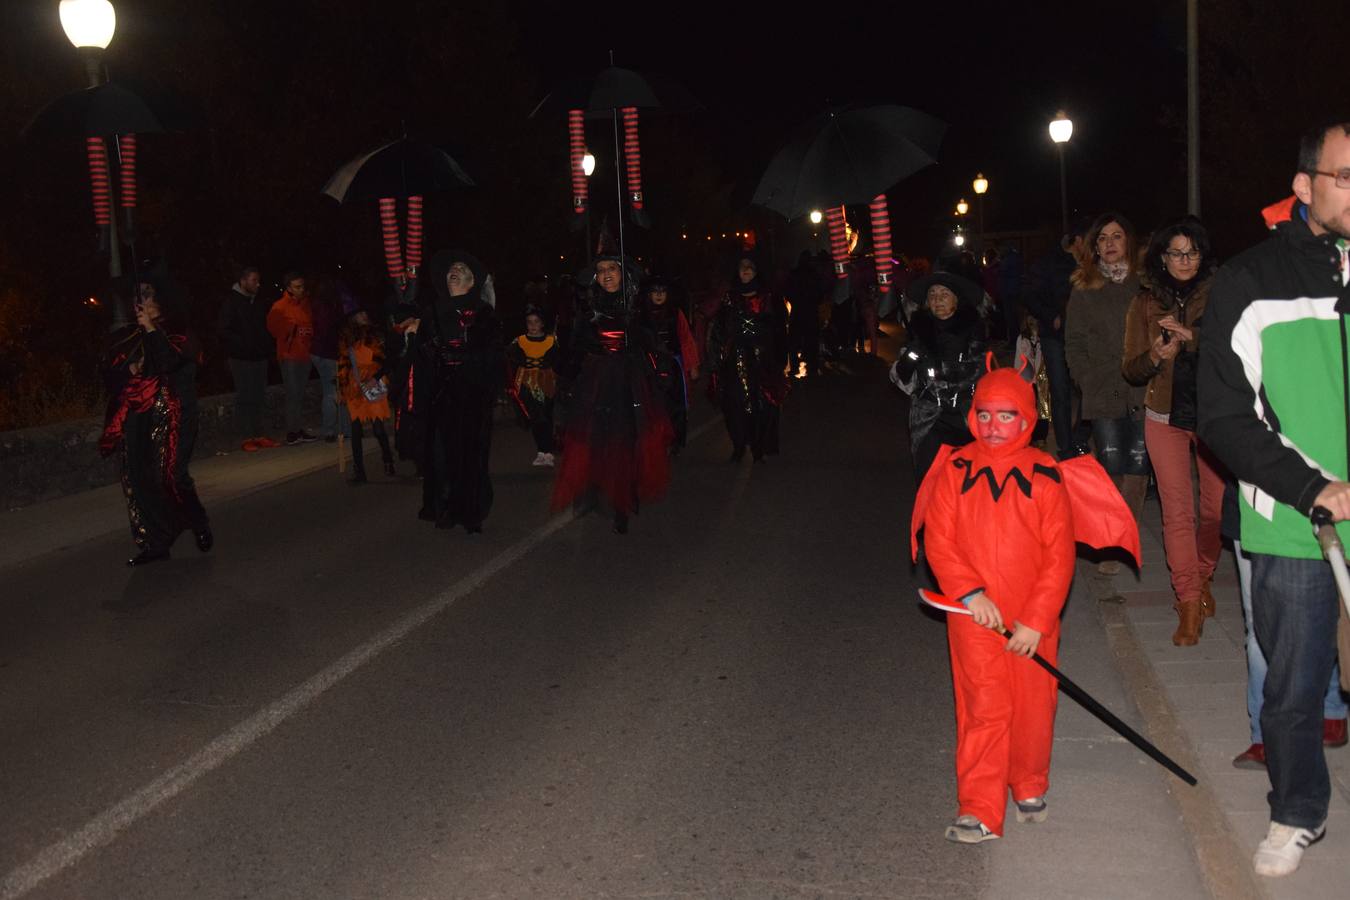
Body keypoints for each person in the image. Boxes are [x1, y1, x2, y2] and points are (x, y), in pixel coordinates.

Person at [1198, 119, 1350, 877]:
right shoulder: (1250, 280)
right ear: (1303, 185)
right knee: (1292, 687)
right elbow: (1223, 416)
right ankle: (1296, 811)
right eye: (1346, 178)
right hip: (1296, 522)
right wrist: (1312, 486)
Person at [914, 365, 1075, 842]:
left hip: (1031, 619)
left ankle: (1028, 781)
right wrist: (969, 591)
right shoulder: (954, 469)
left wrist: (1037, 620)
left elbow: (1059, 556)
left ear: (1026, 419)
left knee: (1033, 705)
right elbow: (939, 539)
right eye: (984, 415)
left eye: (1006, 415)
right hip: (974, 615)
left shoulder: (1045, 474)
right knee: (983, 706)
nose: (993, 426)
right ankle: (979, 807)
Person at [1122, 218, 1225, 645]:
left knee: (1216, 511)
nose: (1184, 260)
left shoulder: (1222, 294)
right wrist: (1155, 355)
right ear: (1162, 258)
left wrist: (1193, 338)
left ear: (1203, 256)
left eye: (1192, 252)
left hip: (1214, 415)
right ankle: (1187, 601)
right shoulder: (1144, 303)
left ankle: (1202, 576)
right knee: (1177, 512)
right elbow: (1130, 368)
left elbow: (1238, 348)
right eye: (1176, 253)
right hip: (1163, 415)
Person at [552, 255, 673, 534]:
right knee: (602, 440)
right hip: (597, 382)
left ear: (622, 274)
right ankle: (609, 494)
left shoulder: (637, 307)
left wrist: (656, 367)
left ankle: (626, 493)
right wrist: (567, 382)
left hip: (631, 381)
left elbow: (654, 345)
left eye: (612, 269)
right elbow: (575, 349)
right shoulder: (587, 310)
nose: (606, 274)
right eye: (601, 270)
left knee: (630, 438)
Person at [99, 271, 211, 566]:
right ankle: (156, 540)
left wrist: (151, 329)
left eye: (147, 293)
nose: (141, 300)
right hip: (140, 418)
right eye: (137, 295)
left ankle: (196, 521)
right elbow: (110, 375)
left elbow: (170, 363)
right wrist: (128, 370)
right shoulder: (128, 335)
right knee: (138, 478)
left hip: (176, 414)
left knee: (172, 476)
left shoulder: (178, 332)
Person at [1065, 212, 1148, 575]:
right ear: (1094, 246)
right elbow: (1074, 341)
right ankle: (1112, 539)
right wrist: (1085, 378)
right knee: (1111, 467)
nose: (1110, 243)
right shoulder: (1085, 287)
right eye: (1103, 238)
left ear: (1128, 240)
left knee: (1138, 469)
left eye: (1116, 236)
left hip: (1144, 389)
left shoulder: (1146, 284)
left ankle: (1124, 540)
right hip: (1103, 389)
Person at [406, 249, 503, 533]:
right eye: (452, 269)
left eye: (462, 269)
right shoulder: (432, 313)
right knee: (440, 456)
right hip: (441, 395)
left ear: (472, 282)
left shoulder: (484, 314)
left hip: (473, 395)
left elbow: (493, 355)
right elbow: (420, 358)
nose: (455, 271)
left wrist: (466, 360)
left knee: (471, 456)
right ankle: (445, 507)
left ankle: (472, 512)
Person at [889, 271, 985, 479]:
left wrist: (949, 365)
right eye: (932, 294)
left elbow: (979, 372)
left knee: (963, 482)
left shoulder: (973, 331)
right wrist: (913, 354)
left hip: (964, 417)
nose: (937, 299)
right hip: (929, 417)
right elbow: (901, 377)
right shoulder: (919, 331)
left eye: (944, 294)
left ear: (956, 300)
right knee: (929, 478)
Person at [1021, 216, 1092, 458]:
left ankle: (1080, 435)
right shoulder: (1049, 262)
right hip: (1055, 336)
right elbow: (1029, 294)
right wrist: (1050, 315)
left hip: (1084, 338)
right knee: (1060, 391)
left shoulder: (1092, 264)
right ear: (1078, 240)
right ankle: (1066, 446)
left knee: (1090, 388)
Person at [707, 254, 788, 462]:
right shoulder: (730, 298)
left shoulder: (767, 297)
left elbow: (778, 328)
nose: (745, 270)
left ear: (756, 270)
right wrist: (717, 359)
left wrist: (779, 357)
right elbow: (718, 329)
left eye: (749, 267)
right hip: (735, 359)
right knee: (735, 404)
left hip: (762, 359)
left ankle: (759, 447)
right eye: (742, 267)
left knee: (762, 404)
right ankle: (739, 445)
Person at [217, 266, 278, 451]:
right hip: (241, 358)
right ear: (243, 281)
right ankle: (246, 437)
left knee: (259, 395)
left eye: (258, 281)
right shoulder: (231, 302)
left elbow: (264, 327)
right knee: (245, 396)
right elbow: (224, 330)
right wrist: (244, 344)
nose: (257, 284)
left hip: (259, 356)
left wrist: (265, 346)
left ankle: (259, 434)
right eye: (254, 280)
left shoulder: (257, 302)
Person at [638, 274, 700, 454]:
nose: (659, 295)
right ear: (649, 294)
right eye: (655, 291)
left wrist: (692, 366)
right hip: (650, 367)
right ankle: (656, 440)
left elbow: (686, 339)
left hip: (673, 366)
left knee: (675, 406)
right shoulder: (641, 316)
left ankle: (674, 441)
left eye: (662, 291)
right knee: (653, 405)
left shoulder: (675, 314)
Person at [337, 298, 395, 485]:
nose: (364, 316)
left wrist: (374, 378)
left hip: (373, 382)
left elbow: (385, 360)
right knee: (355, 430)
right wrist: (342, 388)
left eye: (364, 312)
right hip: (355, 386)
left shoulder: (375, 334)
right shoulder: (346, 338)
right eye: (360, 313)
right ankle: (359, 471)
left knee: (378, 428)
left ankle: (388, 459)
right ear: (352, 318)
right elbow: (343, 364)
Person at [266, 272, 318, 445]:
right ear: (289, 288)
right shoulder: (280, 306)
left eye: (302, 286)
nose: (301, 290)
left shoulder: (307, 305)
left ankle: (298, 429)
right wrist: (289, 330)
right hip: (289, 356)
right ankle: (292, 431)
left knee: (300, 394)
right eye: (297, 287)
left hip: (305, 355)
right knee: (292, 394)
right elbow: (272, 329)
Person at [506, 306, 559, 466]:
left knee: (546, 415)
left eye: (536, 322)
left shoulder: (551, 341)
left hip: (546, 382)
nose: (533, 325)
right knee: (535, 417)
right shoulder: (519, 341)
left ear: (542, 324)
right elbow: (510, 357)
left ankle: (547, 451)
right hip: (526, 382)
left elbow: (558, 360)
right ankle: (542, 451)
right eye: (529, 322)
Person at [310, 278, 346, 443]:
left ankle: (331, 429)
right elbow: (329, 333)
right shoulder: (330, 308)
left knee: (329, 390)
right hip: (328, 353)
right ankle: (331, 430)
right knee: (332, 392)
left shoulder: (316, 306)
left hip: (318, 352)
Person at [783, 251, 823, 377]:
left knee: (794, 341)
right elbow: (820, 293)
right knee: (812, 339)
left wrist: (794, 301)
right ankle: (813, 366)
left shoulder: (794, 274)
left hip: (798, 310)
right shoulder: (815, 275)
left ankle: (794, 367)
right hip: (811, 311)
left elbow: (788, 292)